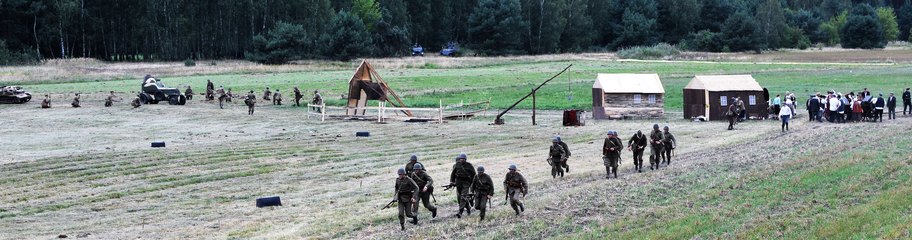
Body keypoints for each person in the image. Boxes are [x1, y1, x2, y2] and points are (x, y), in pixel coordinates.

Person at [449, 153, 475, 218]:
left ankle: (460, 212)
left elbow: (474, 175)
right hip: (458, 183)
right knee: (459, 198)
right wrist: (452, 182)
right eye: (461, 159)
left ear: (465, 159)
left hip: (466, 183)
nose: (462, 160)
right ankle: (468, 207)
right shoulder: (456, 165)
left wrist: (473, 183)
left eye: (463, 159)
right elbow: (453, 174)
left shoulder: (469, 166)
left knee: (463, 197)